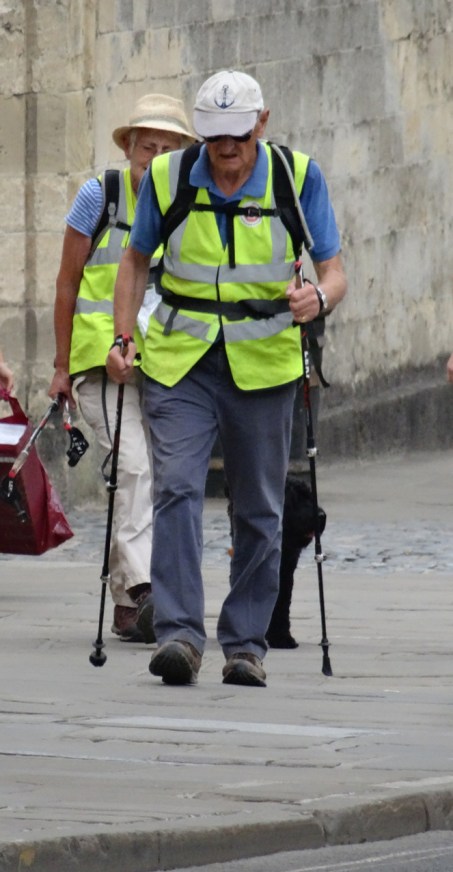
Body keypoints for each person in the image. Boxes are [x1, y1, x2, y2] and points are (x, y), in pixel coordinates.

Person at [107, 69, 347, 685]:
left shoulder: (297, 177)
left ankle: (245, 645)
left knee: (260, 508)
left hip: (263, 365)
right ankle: (181, 637)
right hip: (179, 362)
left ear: (261, 124)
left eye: (238, 136)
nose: (227, 151)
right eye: (214, 138)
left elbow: (336, 271)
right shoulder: (167, 178)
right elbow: (134, 263)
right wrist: (123, 336)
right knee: (177, 490)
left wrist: (317, 298)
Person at [48, 94, 195, 642]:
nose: (154, 156)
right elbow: (66, 282)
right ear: (129, 147)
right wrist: (61, 366)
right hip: (96, 362)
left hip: (163, 361)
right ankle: (141, 591)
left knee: (154, 475)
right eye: (146, 145)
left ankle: (129, 603)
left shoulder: (187, 200)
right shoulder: (99, 196)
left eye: (167, 148)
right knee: (134, 466)